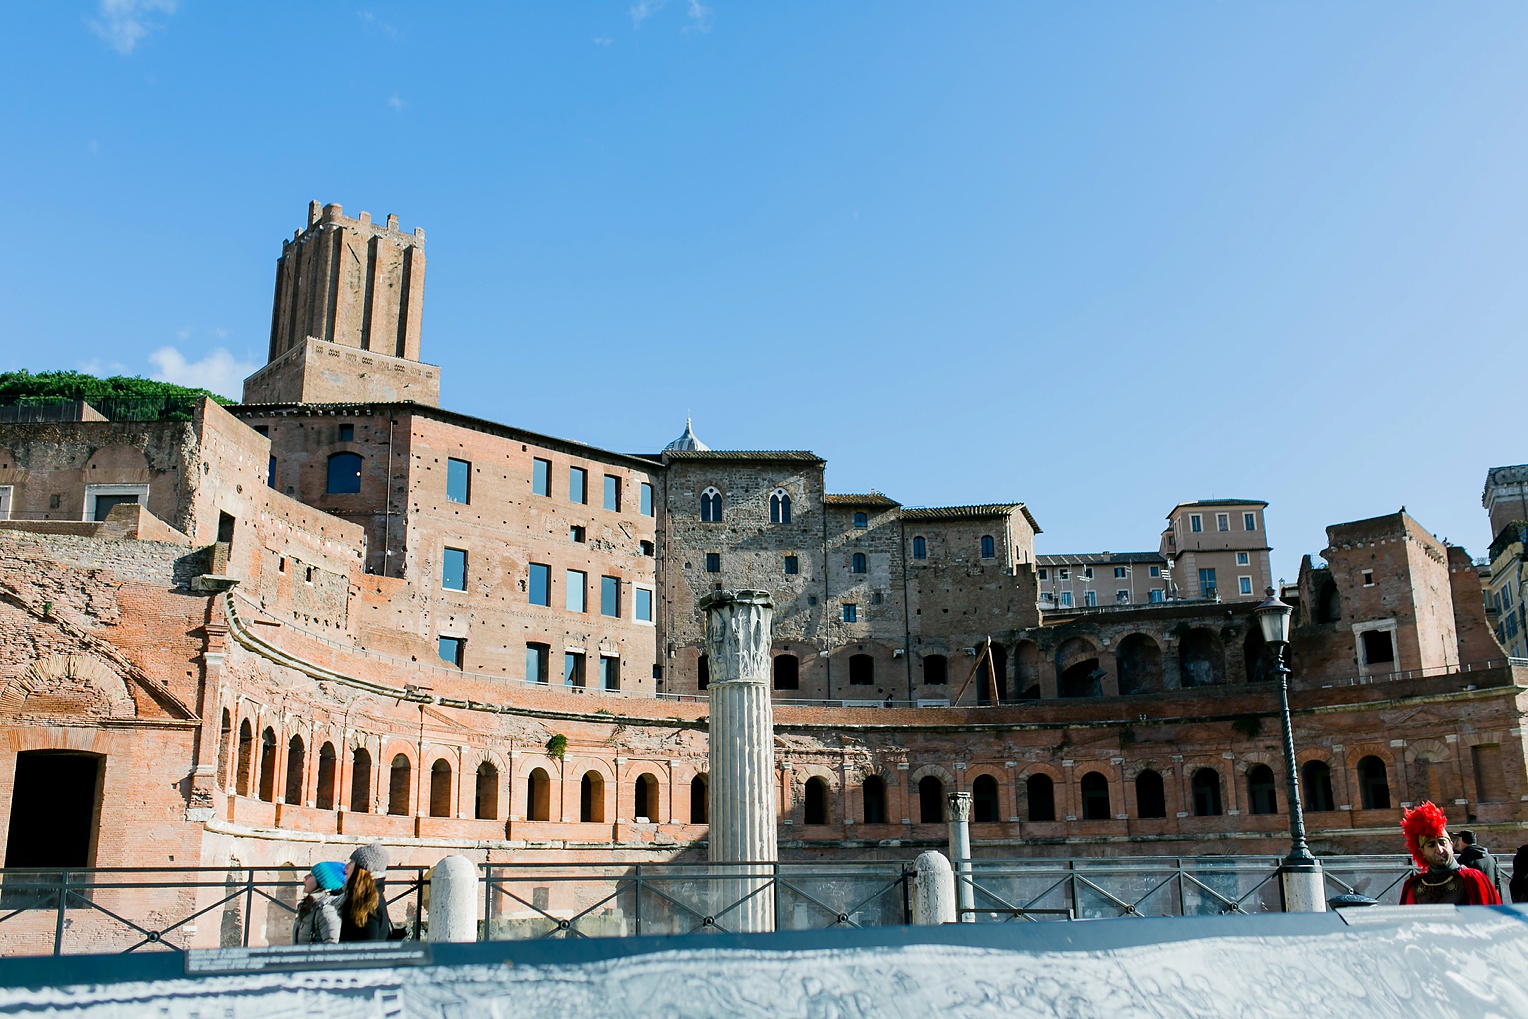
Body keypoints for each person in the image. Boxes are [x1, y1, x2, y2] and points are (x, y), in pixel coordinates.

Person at [1398, 802, 1501, 906]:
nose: (1439, 849)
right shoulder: (1414, 886)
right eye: (1431, 845)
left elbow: (1490, 919)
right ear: (1422, 851)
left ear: (1451, 846)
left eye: (1442, 843)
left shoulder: (1473, 879)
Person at [338, 842, 396, 941]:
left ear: (363, 868)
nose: (346, 866)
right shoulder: (358, 897)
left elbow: (369, 945)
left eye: (352, 862)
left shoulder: (369, 902)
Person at [292, 860, 344, 945]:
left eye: (311, 875)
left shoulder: (327, 910)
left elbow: (332, 947)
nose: (305, 877)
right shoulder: (310, 906)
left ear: (323, 882)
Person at [1452, 829, 1502, 897]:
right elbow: (1497, 880)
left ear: (1464, 841)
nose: (1458, 843)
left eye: (1459, 840)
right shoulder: (1490, 858)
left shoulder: (1466, 858)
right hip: (1490, 899)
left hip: (1475, 901)